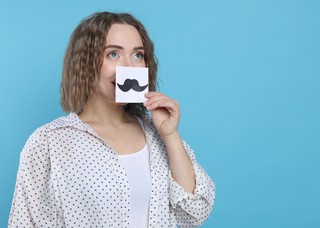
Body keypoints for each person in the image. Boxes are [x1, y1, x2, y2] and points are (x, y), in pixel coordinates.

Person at [9, 12, 216, 227]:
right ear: (86, 63)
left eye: (138, 55)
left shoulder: (157, 134)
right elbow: (25, 222)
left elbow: (195, 212)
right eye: (113, 54)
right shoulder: (48, 142)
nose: (129, 66)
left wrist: (170, 134)